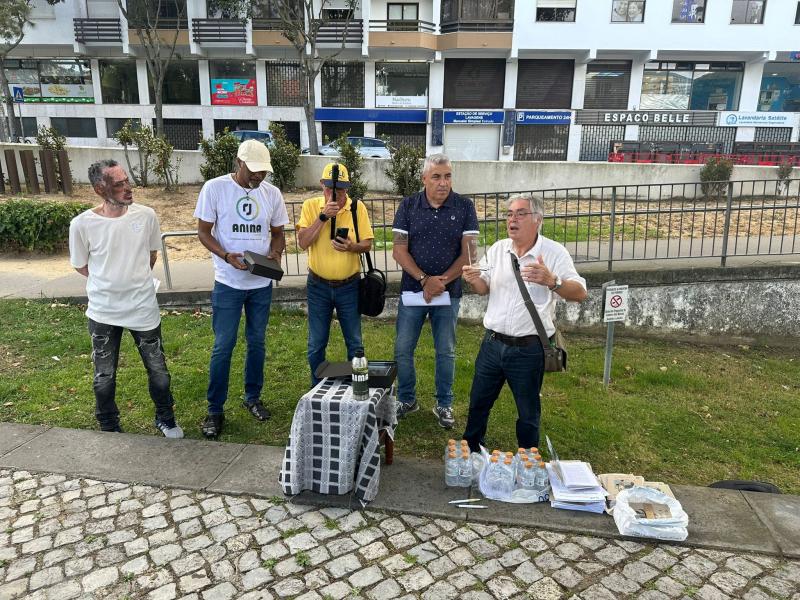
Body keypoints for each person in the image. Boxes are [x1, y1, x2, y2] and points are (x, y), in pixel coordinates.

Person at [461, 195, 587, 452]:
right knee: (478, 403)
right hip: (493, 344)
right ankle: (471, 451)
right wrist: (473, 278)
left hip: (528, 349)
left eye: (520, 214)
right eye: (509, 214)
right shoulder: (498, 249)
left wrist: (554, 281)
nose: (512, 219)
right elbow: (483, 289)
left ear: (537, 220)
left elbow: (580, 293)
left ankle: (528, 460)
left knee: (528, 413)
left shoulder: (553, 253)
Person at [69, 159, 183, 438]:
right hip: (103, 312)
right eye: (118, 184)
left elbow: (152, 255)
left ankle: (166, 418)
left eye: (127, 181)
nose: (128, 188)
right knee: (104, 375)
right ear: (100, 189)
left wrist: (134, 280)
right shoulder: (82, 224)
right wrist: (109, 282)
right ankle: (109, 424)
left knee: (158, 369)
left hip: (143, 308)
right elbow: (81, 265)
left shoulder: (146, 216)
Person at [194, 140, 289, 438]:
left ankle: (253, 397)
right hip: (228, 283)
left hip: (260, 284)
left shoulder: (272, 194)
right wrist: (225, 255)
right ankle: (215, 409)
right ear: (239, 162)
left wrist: (276, 253)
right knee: (223, 346)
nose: (259, 177)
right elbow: (203, 231)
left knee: (257, 342)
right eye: (254, 170)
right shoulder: (215, 188)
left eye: (264, 172)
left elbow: (278, 234)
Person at [391, 154, 479, 429]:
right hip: (413, 292)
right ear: (424, 179)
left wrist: (440, 282)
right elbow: (398, 249)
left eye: (448, 176)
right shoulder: (408, 205)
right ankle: (407, 399)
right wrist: (423, 279)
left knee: (446, 351)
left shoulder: (464, 206)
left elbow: (469, 252)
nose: (443, 183)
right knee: (403, 349)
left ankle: (444, 404)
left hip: (447, 293)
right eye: (437, 177)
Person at [296, 163, 374, 384]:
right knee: (316, 344)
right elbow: (302, 243)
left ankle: (356, 387)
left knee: (355, 342)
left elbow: (367, 244)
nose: (334, 194)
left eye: (339, 190)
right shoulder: (311, 206)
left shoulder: (357, 208)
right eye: (330, 189)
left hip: (349, 286)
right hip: (318, 285)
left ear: (347, 188)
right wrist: (322, 218)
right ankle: (318, 386)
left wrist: (352, 247)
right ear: (322, 186)